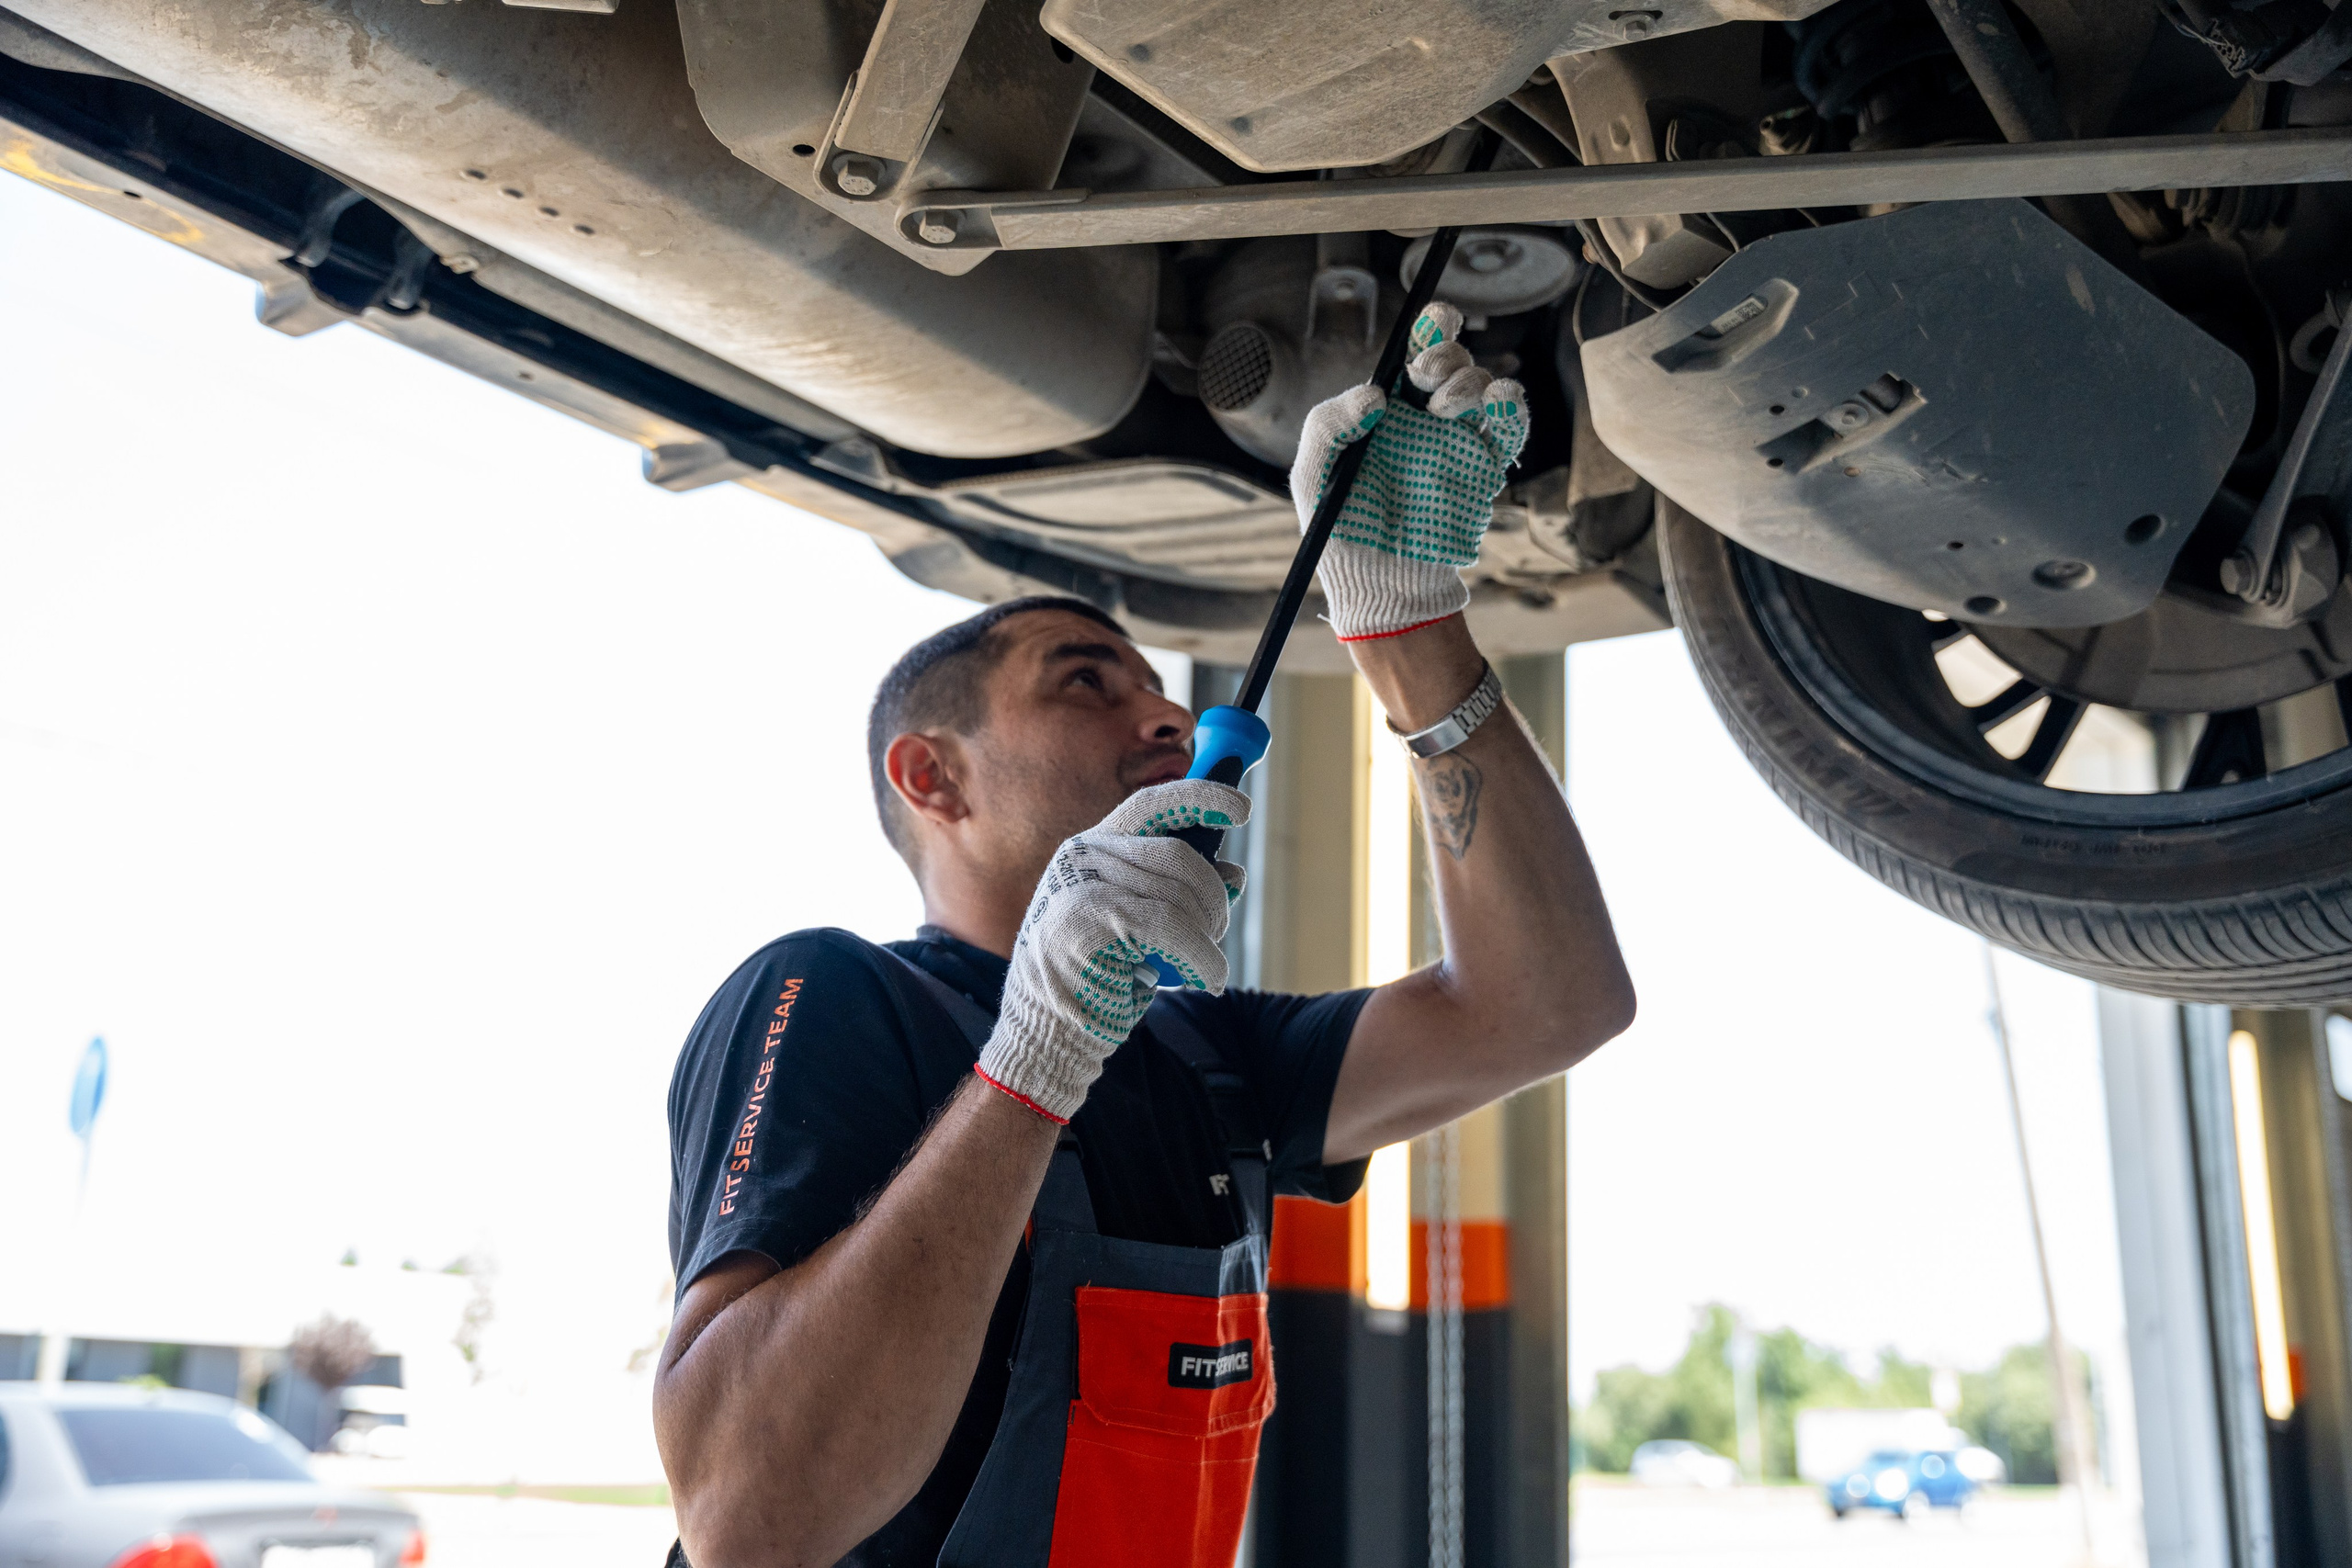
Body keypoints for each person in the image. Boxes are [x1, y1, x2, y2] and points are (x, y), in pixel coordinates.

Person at [652, 305, 1634, 1568]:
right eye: (1084, 681)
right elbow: (750, 1518)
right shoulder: (833, 995)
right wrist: (1033, 1062)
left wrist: (1413, 637)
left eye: (1157, 685)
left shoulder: (1208, 1061)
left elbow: (1548, 1002)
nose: (1168, 717)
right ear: (932, 778)